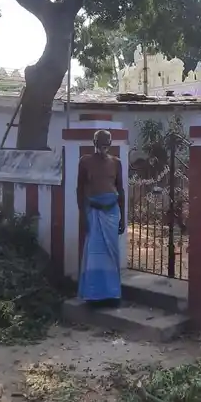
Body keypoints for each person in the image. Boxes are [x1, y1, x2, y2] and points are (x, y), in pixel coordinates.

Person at [76, 129, 125, 305]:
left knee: (111, 254)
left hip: (111, 212)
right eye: (100, 143)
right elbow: (80, 190)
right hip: (93, 212)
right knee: (94, 254)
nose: (103, 147)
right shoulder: (85, 162)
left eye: (106, 143)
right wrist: (82, 215)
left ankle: (112, 295)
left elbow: (120, 190)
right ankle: (94, 295)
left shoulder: (116, 163)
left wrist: (123, 218)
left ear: (110, 144)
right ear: (94, 143)